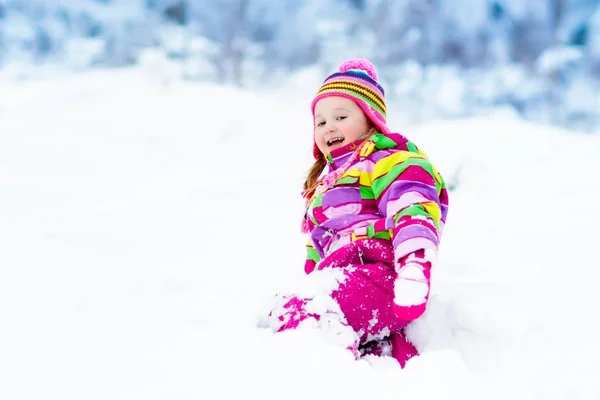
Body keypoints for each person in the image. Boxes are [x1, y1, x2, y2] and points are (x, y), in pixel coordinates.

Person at [261, 58, 449, 368]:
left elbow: (412, 209)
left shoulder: (388, 161)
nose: (328, 127)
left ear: (370, 118)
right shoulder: (326, 185)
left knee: (308, 321)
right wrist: (312, 283)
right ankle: (366, 357)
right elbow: (317, 249)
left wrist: (414, 266)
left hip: (381, 273)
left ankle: (327, 371)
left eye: (341, 116)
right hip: (342, 276)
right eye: (320, 122)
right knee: (276, 315)